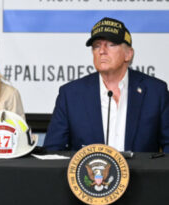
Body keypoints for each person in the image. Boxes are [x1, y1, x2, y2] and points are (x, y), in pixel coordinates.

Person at [44, 17, 169, 152]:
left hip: (142, 173)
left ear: (128, 54)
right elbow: (52, 150)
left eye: (111, 45)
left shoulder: (155, 92)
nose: (102, 51)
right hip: (89, 173)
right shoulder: (70, 94)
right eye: (97, 46)